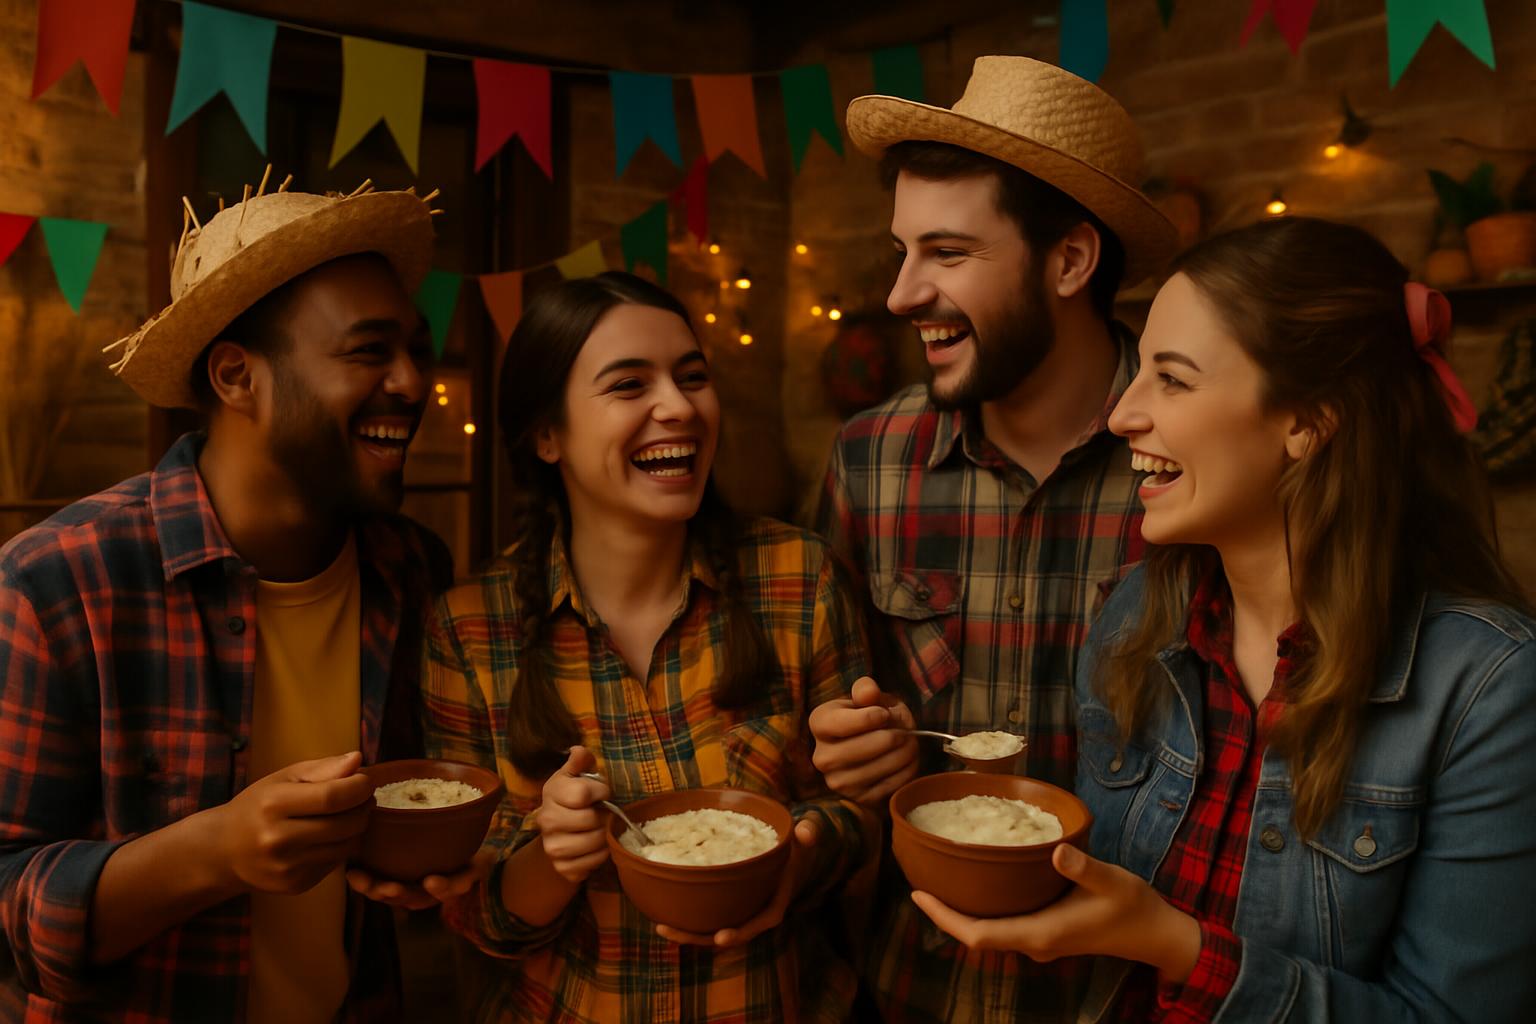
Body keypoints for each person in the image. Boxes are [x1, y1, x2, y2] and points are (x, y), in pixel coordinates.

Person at [912, 217, 1536, 1022]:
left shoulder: (1488, 689)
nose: (1121, 416)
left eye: (1171, 379)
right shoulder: (1133, 620)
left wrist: (1176, 946)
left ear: (1309, 420)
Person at [0, 181, 457, 1022]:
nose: (412, 382)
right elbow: (4, 912)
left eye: (416, 350)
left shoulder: (413, 570)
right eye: (368, 351)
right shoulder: (57, 581)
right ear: (238, 375)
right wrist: (218, 850)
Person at [806, 56, 1177, 1020]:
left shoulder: (1192, 457)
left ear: (1069, 261)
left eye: (948, 253)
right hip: (909, 984)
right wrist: (849, 743)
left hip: (1128, 995)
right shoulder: (868, 460)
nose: (901, 294)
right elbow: (814, 712)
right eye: (902, 252)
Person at [422, 272, 875, 1022]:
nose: (680, 406)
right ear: (547, 435)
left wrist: (790, 863)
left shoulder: (800, 576)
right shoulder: (470, 629)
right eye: (629, 385)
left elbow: (860, 813)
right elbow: (477, 917)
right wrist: (555, 856)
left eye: (692, 377)